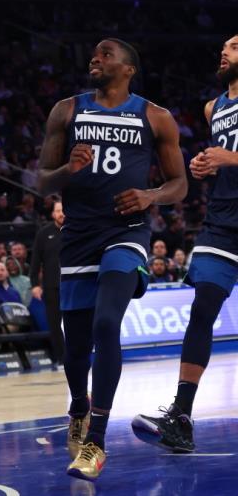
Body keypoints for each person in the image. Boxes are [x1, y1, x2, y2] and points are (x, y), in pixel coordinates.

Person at [37, 38, 187, 480]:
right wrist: (69, 171)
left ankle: (97, 442)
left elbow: (179, 184)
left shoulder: (154, 116)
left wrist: (150, 195)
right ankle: (79, 406)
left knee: (107, 324)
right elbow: (43, 182)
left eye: (106, 54)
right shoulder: (66, 110)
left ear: (128, 69)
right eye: (94, 54)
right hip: (79, 236)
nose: (95, 59)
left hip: (127, 232)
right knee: (77, 345)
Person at [132, 34, 238, 453]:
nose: (224, 50)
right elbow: (224, 156)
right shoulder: (215, 107)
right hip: (222, 221)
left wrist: (229, 159)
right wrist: (204, 165)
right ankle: (181, 417)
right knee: (202, 311)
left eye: (234, 45)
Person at [30, 198, 65, 365]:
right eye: (58, 211)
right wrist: (35, 284)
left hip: (73, 284)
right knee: (55, 323)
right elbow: (36, 261)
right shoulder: (43, 233)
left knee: (75, 323)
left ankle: (78, 355)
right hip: (52, 286)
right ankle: (61, 357)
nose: (61, 214)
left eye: (64, 210)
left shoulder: (76, 230)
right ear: (53, 214)